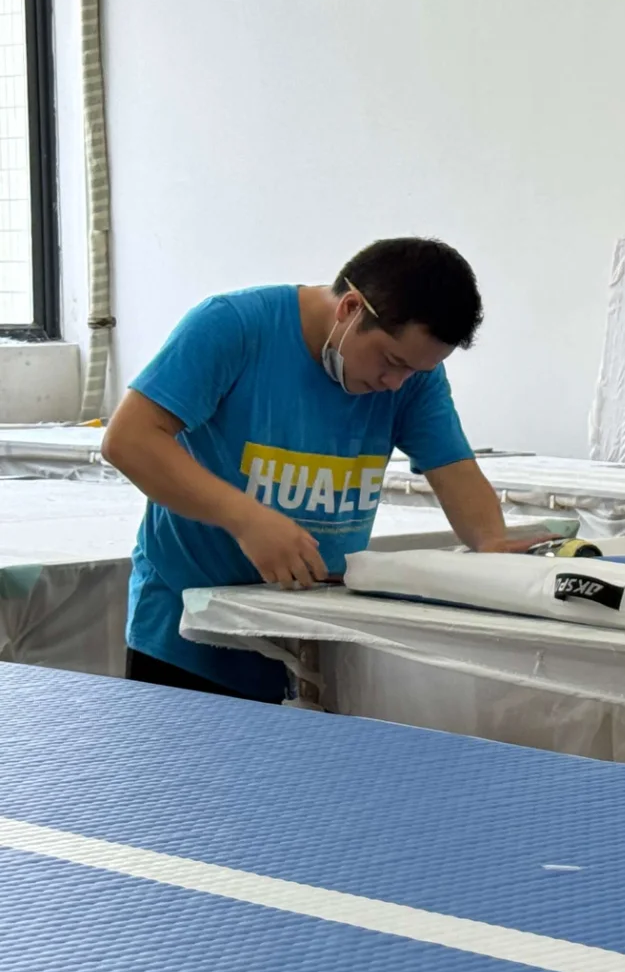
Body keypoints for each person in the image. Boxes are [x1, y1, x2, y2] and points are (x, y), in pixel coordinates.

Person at [102, 237, 525, 701]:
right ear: (350, 308)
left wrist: (491, 545)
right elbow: (129, 440)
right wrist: (247, 519)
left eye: (415, 372)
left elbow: (455, 469)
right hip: (189, 630)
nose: (394, 385)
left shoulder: (412, 378)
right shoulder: (234, 326)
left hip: (313, 633)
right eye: (391, 362)